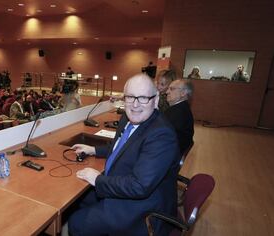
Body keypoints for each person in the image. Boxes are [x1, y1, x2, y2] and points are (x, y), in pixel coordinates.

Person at [68, 74, 179, 235]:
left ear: (155, 101)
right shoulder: (128, 117)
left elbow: (139, 186)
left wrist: (98, 179)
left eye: (143, 98)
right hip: (125, 185)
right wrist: (94, 150)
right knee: (78, 200)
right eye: (130, 97)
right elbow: (121, 148)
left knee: (77, 222)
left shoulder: (161, 135)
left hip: (143, 208)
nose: (134, 105)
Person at [165, 79, 194, 155]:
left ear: (183, 93)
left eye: (172, 89)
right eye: (168, 88)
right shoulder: (181, 108)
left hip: (170, 155)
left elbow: (163, 136)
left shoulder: (178, 112)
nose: (167, 92)